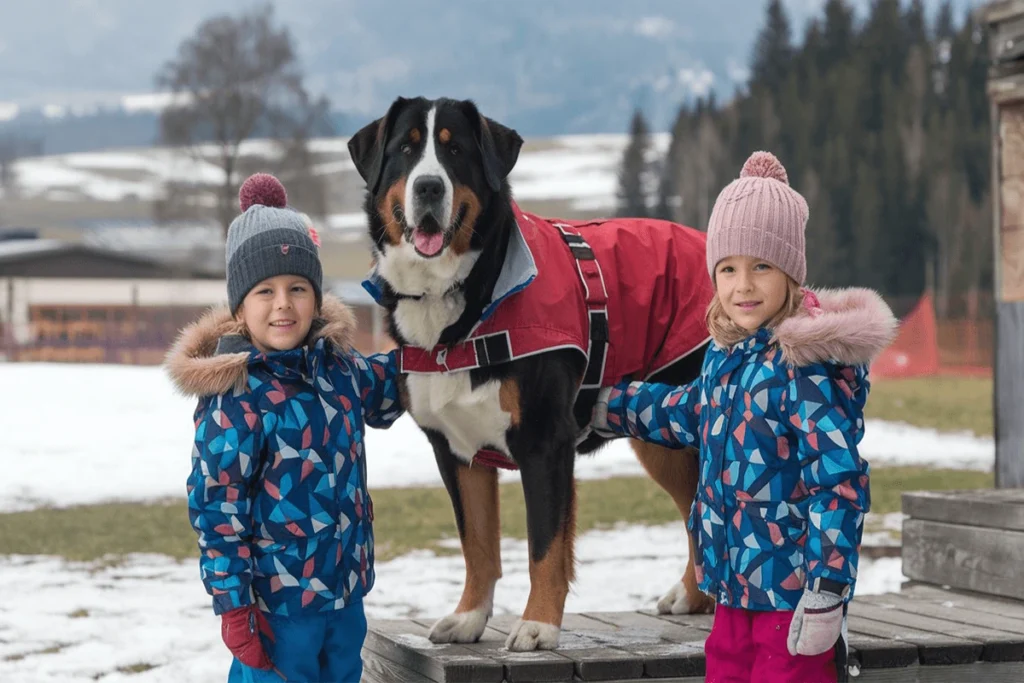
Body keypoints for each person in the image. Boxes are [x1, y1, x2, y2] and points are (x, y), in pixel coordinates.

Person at [592, 151, 897, 682]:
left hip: (792, 599)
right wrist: (611, 406)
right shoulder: (726, 355)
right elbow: (689, 411)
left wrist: (826, 591)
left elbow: (839, 485)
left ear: (791, 275)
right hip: (732, 592)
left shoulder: (806, 367)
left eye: (761, 266)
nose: (743, 286)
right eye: (728, 269)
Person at [165, 172, 403, 682]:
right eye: (264, 291)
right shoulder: (236, 396)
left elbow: (387, 389)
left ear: (316, 297)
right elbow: (217, 508)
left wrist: (429, 345)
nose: (283, 305)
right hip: (276, 609)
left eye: (298, 288)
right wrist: (233, 607)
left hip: (345, 596)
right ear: (239, 306)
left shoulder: (338, 368)